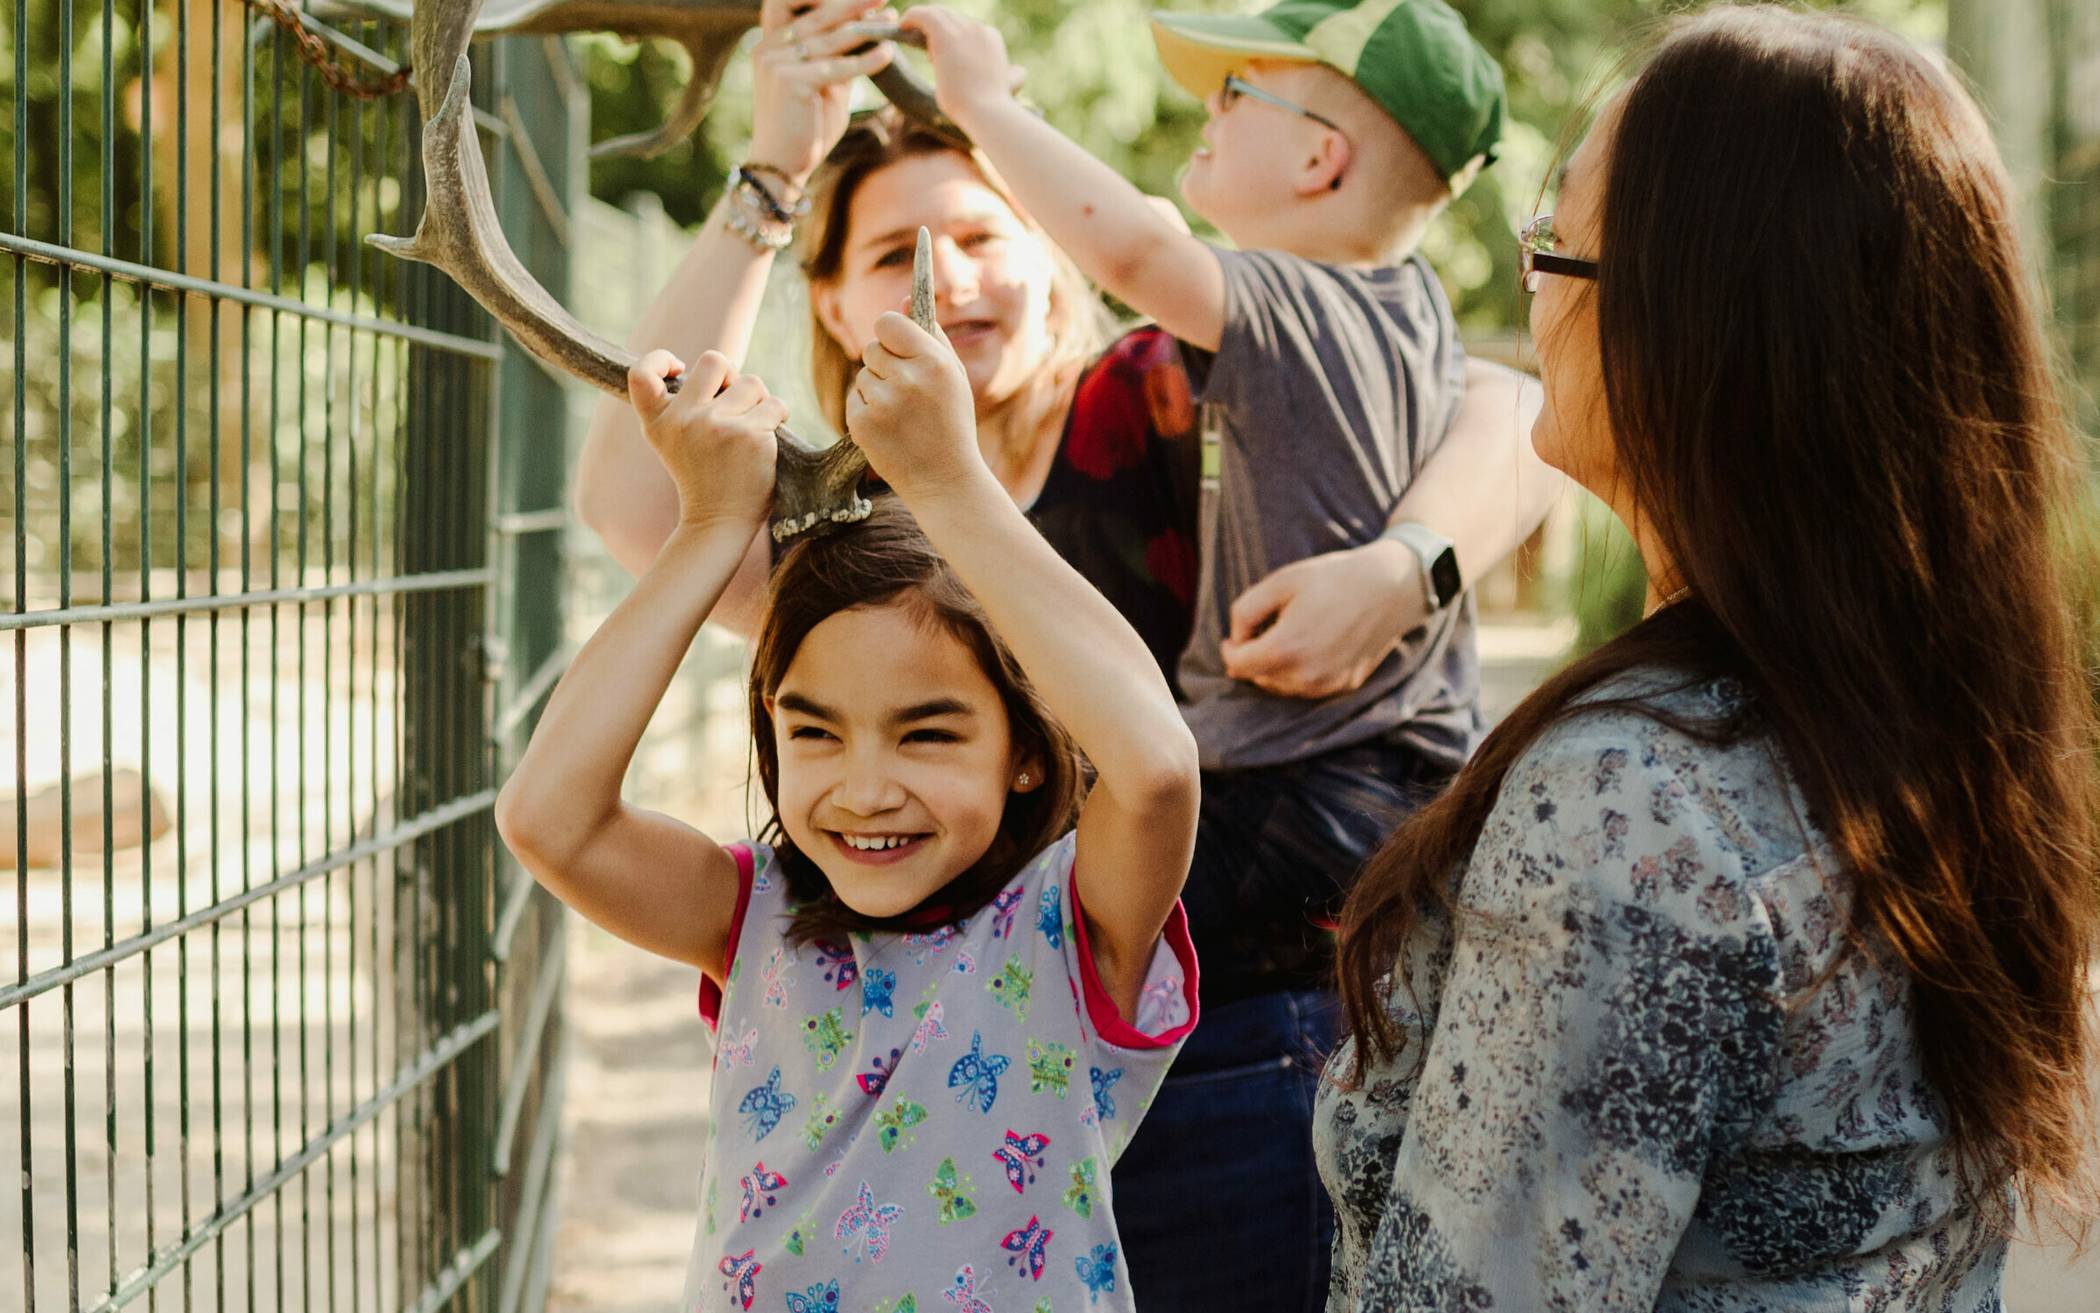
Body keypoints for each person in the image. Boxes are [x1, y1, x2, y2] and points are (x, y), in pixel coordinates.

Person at [574, 3, 1556, 1306]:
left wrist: (1412, 556)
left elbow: (1501, 397)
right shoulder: (872, 541)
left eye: (983, 236)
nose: (952, 278)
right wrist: (770, 175)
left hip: (1245, 1037)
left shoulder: (1163, 400)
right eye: (893, 256)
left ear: (1050, 254)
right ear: (830, 299)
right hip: (985, 1071)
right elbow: (643, 511)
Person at [1319, 7, 2100, 1309]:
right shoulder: (1937, 725)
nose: (1532, 282)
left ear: (1699, 322)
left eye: (1556, 245)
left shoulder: (1631, 799)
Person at [496, 312, 1202, 1310]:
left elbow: (1161, 770)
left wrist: (952, 484)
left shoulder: (1073, 927)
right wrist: (706, 528)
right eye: (817, 731)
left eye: (927, 733)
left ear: (1030, 757)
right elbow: (547, 816)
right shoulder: (752, 918)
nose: (865, 788)